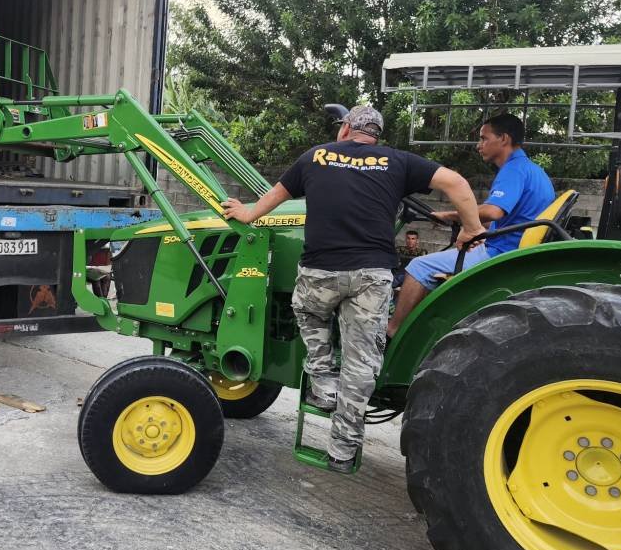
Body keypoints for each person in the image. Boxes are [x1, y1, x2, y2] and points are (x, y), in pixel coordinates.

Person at [222, 105, 484, 473]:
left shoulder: (316, 156)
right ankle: (343, 452)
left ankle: (323, 383)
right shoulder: (398, 161)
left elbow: (275, 195)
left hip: (320, 273)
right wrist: (472, 229)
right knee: (362, 364)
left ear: (346, 130)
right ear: (376, 134)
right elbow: (456, 183)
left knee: (307, 311)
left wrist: (247, 213)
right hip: (371, 278)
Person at [386, 113, 555, 338]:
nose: (478, 145)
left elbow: (493, 211)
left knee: (418, 266)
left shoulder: (513, 169)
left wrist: (453, 214)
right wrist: (471, 226)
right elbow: (513, 217)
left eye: (484, 138)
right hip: (511, 247)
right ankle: (419, 330)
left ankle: (391, 334)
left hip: (501, 253)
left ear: (503, 139)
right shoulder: (534, 170)